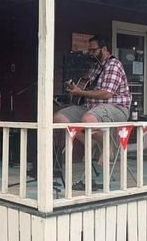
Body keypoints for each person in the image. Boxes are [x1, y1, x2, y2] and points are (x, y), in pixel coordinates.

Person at [54, 35, 131, 164]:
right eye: (89, 50)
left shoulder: (113, 65)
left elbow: (106, 94)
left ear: (104, 49)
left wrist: (81, 92)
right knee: (59, 118)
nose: (90, 53)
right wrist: (75, 89)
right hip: (92, 107)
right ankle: (88, 142)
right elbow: (85, 86)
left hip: (116, 107)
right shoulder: (95, 67)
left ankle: (108, 145)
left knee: (88, 119)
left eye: (93, 50)